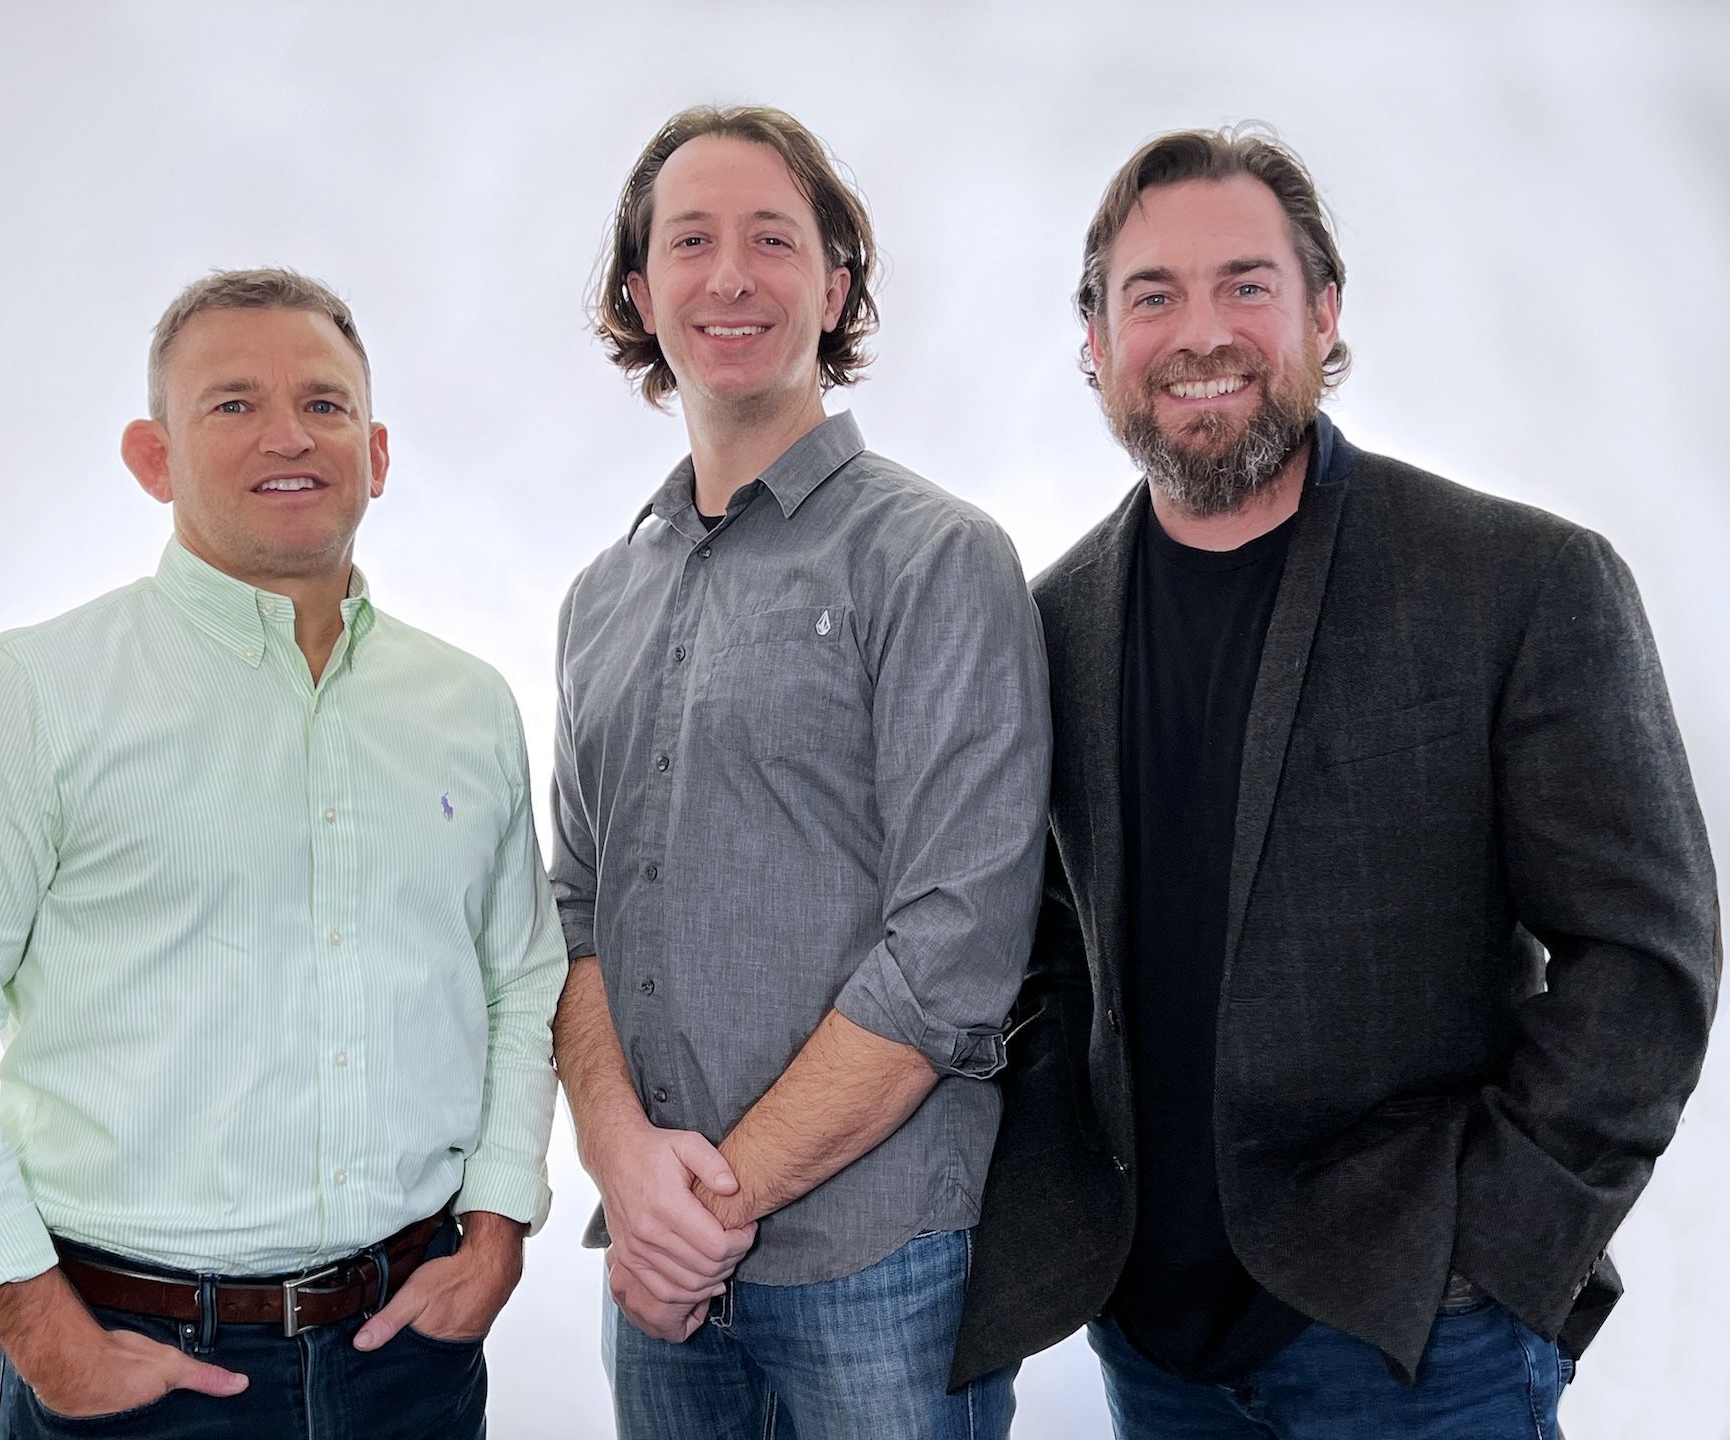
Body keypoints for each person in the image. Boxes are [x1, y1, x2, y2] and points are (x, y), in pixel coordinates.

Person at [956, 126, 1720, 1438]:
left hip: (1419, 1345)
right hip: (1153, 1352)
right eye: (1154, 295)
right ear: (1097, 339)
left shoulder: (1517, 582)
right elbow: (1046, 956)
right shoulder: (1049, 623)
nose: (1202, 333)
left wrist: (1499, 1250)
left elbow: (1645, 957)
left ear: (1323, 311)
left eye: (1245, 285)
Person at [0, 267, 567, 1439]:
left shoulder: (468, 705)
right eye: (233, 404)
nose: (289, 435)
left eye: (324, 405)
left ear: (376, 455)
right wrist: (51, 1346)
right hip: (133, 1370)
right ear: (153, 457)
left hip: (412, 1361)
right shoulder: (16, 700)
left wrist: (496, 1228)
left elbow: (519, 981)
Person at [549, 105, 1049, 1439]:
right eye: (690, 242)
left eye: (772, 239)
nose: (730, 275)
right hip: (660, 1271)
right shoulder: (600, 600)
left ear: (835, 289)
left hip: (882, 1269)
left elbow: (954, 944)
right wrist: (622, 1166)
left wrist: (711, 1205)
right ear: (639, 293)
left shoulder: (936, 559)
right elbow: (577, 913)